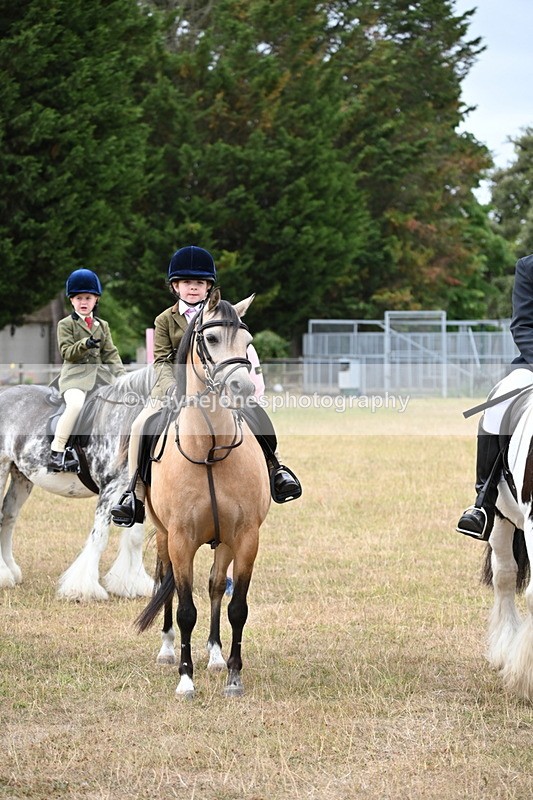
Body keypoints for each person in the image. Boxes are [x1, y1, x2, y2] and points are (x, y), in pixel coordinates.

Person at [111, 245, 302, 527]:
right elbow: (162, 360)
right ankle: (134, 494)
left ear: (208, 287)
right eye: (187, 283)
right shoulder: (164, 320)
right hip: (175, 389)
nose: (193, 288)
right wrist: (172, 389)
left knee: (257, 415)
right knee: (141, 425)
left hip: (220, 388)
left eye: (199, 283)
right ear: (175, 286)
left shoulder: (221, 316)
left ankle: (276, 468)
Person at [456, 253, 533, 540]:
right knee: (500, 400)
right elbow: (523, 326)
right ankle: (484, 503)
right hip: (532, 366)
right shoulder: (528, 267)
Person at [49, 269, 126, 472]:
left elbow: (110, 354)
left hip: (100, 379)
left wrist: (123, 378)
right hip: (75, 379)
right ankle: (57, 452)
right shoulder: (65, 324)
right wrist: (85, 344)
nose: (84, 302)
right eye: (79, 298)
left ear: (96, 300)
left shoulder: (103, 325)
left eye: (88, 298)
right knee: (75, 406)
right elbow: (67, 353)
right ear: (72, 301)